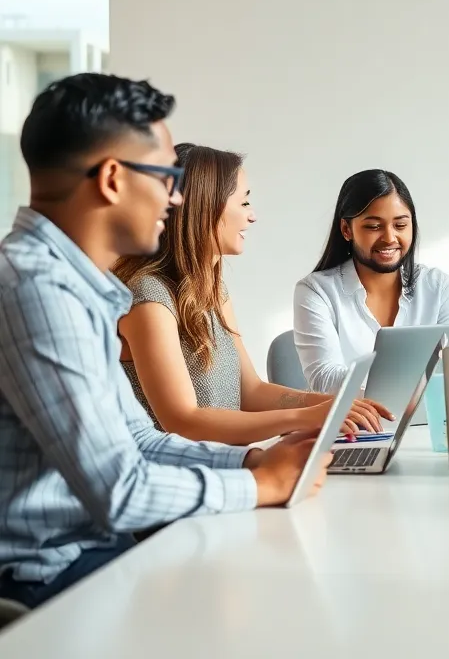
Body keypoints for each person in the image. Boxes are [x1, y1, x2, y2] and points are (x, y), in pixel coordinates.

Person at [0, 74, 329, 609]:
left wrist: (250, 463)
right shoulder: (35, 291)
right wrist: (261, 487)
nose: (175, 197)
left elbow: (141, 441)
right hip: (45, 580)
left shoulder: (79, 290)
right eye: (163, 176)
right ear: (112, 179)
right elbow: (119, 490)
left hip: (90, 555)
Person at [114, 144, 391, 446]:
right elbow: (183, 421)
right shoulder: (148, 297)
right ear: (205, 206)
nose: (253, 216)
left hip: (224, 466)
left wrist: (333, 405)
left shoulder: (212, 289)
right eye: (243, 203)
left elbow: (250, 391)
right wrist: (307, 418)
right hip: (178, 478)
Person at [294, 169, 449, 393]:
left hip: (426, 423)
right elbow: (325, 379)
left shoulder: (437, 286)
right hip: (356, 426)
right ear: (346, 229)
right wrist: (411, 384)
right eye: (374, 226)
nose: (390, 238)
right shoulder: (316, 291)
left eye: (400, 225)